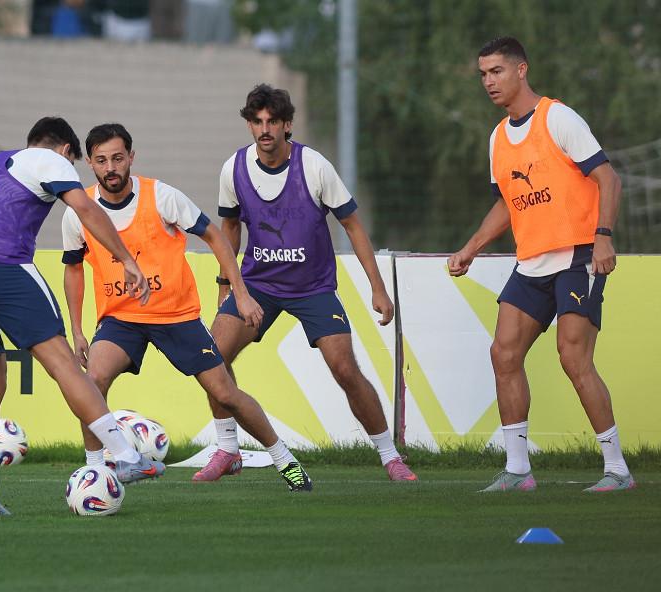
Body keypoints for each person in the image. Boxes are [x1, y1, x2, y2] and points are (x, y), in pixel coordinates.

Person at [0, 117, 165, 516]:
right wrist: (126, 260)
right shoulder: (50, 159)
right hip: (2, 267)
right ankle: (126, 456)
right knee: (64, 364)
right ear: (65, 150)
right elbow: (85, 208)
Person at [61, 123, 312, 491]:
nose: (110, 168)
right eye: (101, 161)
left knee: (225, 393)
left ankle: (285, 460)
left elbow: (215, 236)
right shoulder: (78, 211)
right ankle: (96, 471)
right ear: (89, 162)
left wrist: (240, 293)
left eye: (117, 158)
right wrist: (77, 330)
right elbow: (73, 270)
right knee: (92, 381)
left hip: (175, 315)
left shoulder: (161, 196)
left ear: (131, 157)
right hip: (121, 318)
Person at [200, 84, 418, 483]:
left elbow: (352, 225)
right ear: (249, 125)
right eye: (257, 122)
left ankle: (391, 457)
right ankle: (228, 449)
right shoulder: (233, 169)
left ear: (287, 125)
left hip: (313, 288)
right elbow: (229, 228)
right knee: (212, 356)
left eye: (273, 122)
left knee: (345, 369)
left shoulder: (314, 166)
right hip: (258, 285)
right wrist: (225, 285)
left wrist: (377, 287)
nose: (265, 129)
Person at [447, 37, 634, 493]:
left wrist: (603, 237)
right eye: (483, 74)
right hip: (531, 262)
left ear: (521, 70)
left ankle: (617, 470)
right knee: (503, 354)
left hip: (578, 256)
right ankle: (517, 471)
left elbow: (608, 179)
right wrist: (471, 247)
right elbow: (507, 204)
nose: (488, 81)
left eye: (496, 71)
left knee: (573, 357)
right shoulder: (498, 138)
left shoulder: (558, 118)